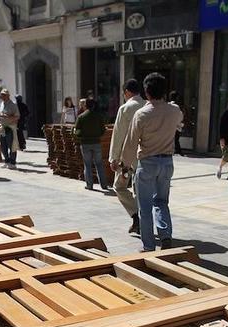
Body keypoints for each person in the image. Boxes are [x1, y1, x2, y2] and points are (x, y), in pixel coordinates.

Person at [120, 72, 184, 252]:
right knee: (162, 201)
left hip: (147, 162)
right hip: (167, 162)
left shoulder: (141, 114)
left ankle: (149, 246)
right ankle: (165, 236)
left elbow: (131, 143)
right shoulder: (174, 110)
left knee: (145, 207)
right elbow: (180, 123)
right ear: (164, 91)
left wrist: (124, 165)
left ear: (146, 92)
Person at [108, 79, 146, 235]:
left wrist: (113, 158)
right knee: (140, 190)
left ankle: (136, 216)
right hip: (146, 157)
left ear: (127, 92)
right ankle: (141, 219)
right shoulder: (148, 106)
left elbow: (118, 135)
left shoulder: (125, 108)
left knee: (119, 186)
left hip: (127, 160)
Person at [74, 98, 109, 191]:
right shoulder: (99, 116)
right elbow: (103, 129)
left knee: (87, 165)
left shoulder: (81, 117)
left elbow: (77, 131)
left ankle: (89, 185)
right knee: (99, 164)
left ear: (85, 105)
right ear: (93, 105)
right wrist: (98, 135)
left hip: (85, 143)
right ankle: (104, 184)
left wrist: (81, 136)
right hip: (96, 142)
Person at [0, 89, 20, 170]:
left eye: (3, 95)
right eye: (1, 95)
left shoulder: (13, 105)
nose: (1, 96)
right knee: (3, 146)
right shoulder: (2, 104)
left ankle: (13, 162)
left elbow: (17, 116)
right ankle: (6, 161)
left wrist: (8, 117)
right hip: (3, 127)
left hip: (10, 127)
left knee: (12, 145)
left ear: (7, 96)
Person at [168, 91, 184, 156]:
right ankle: (178, 151)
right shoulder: (177, 106)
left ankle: (177, 150)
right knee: (176, 139)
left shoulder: (167, 105)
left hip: (169, 126)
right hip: (176, 125)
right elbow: (180, 116)